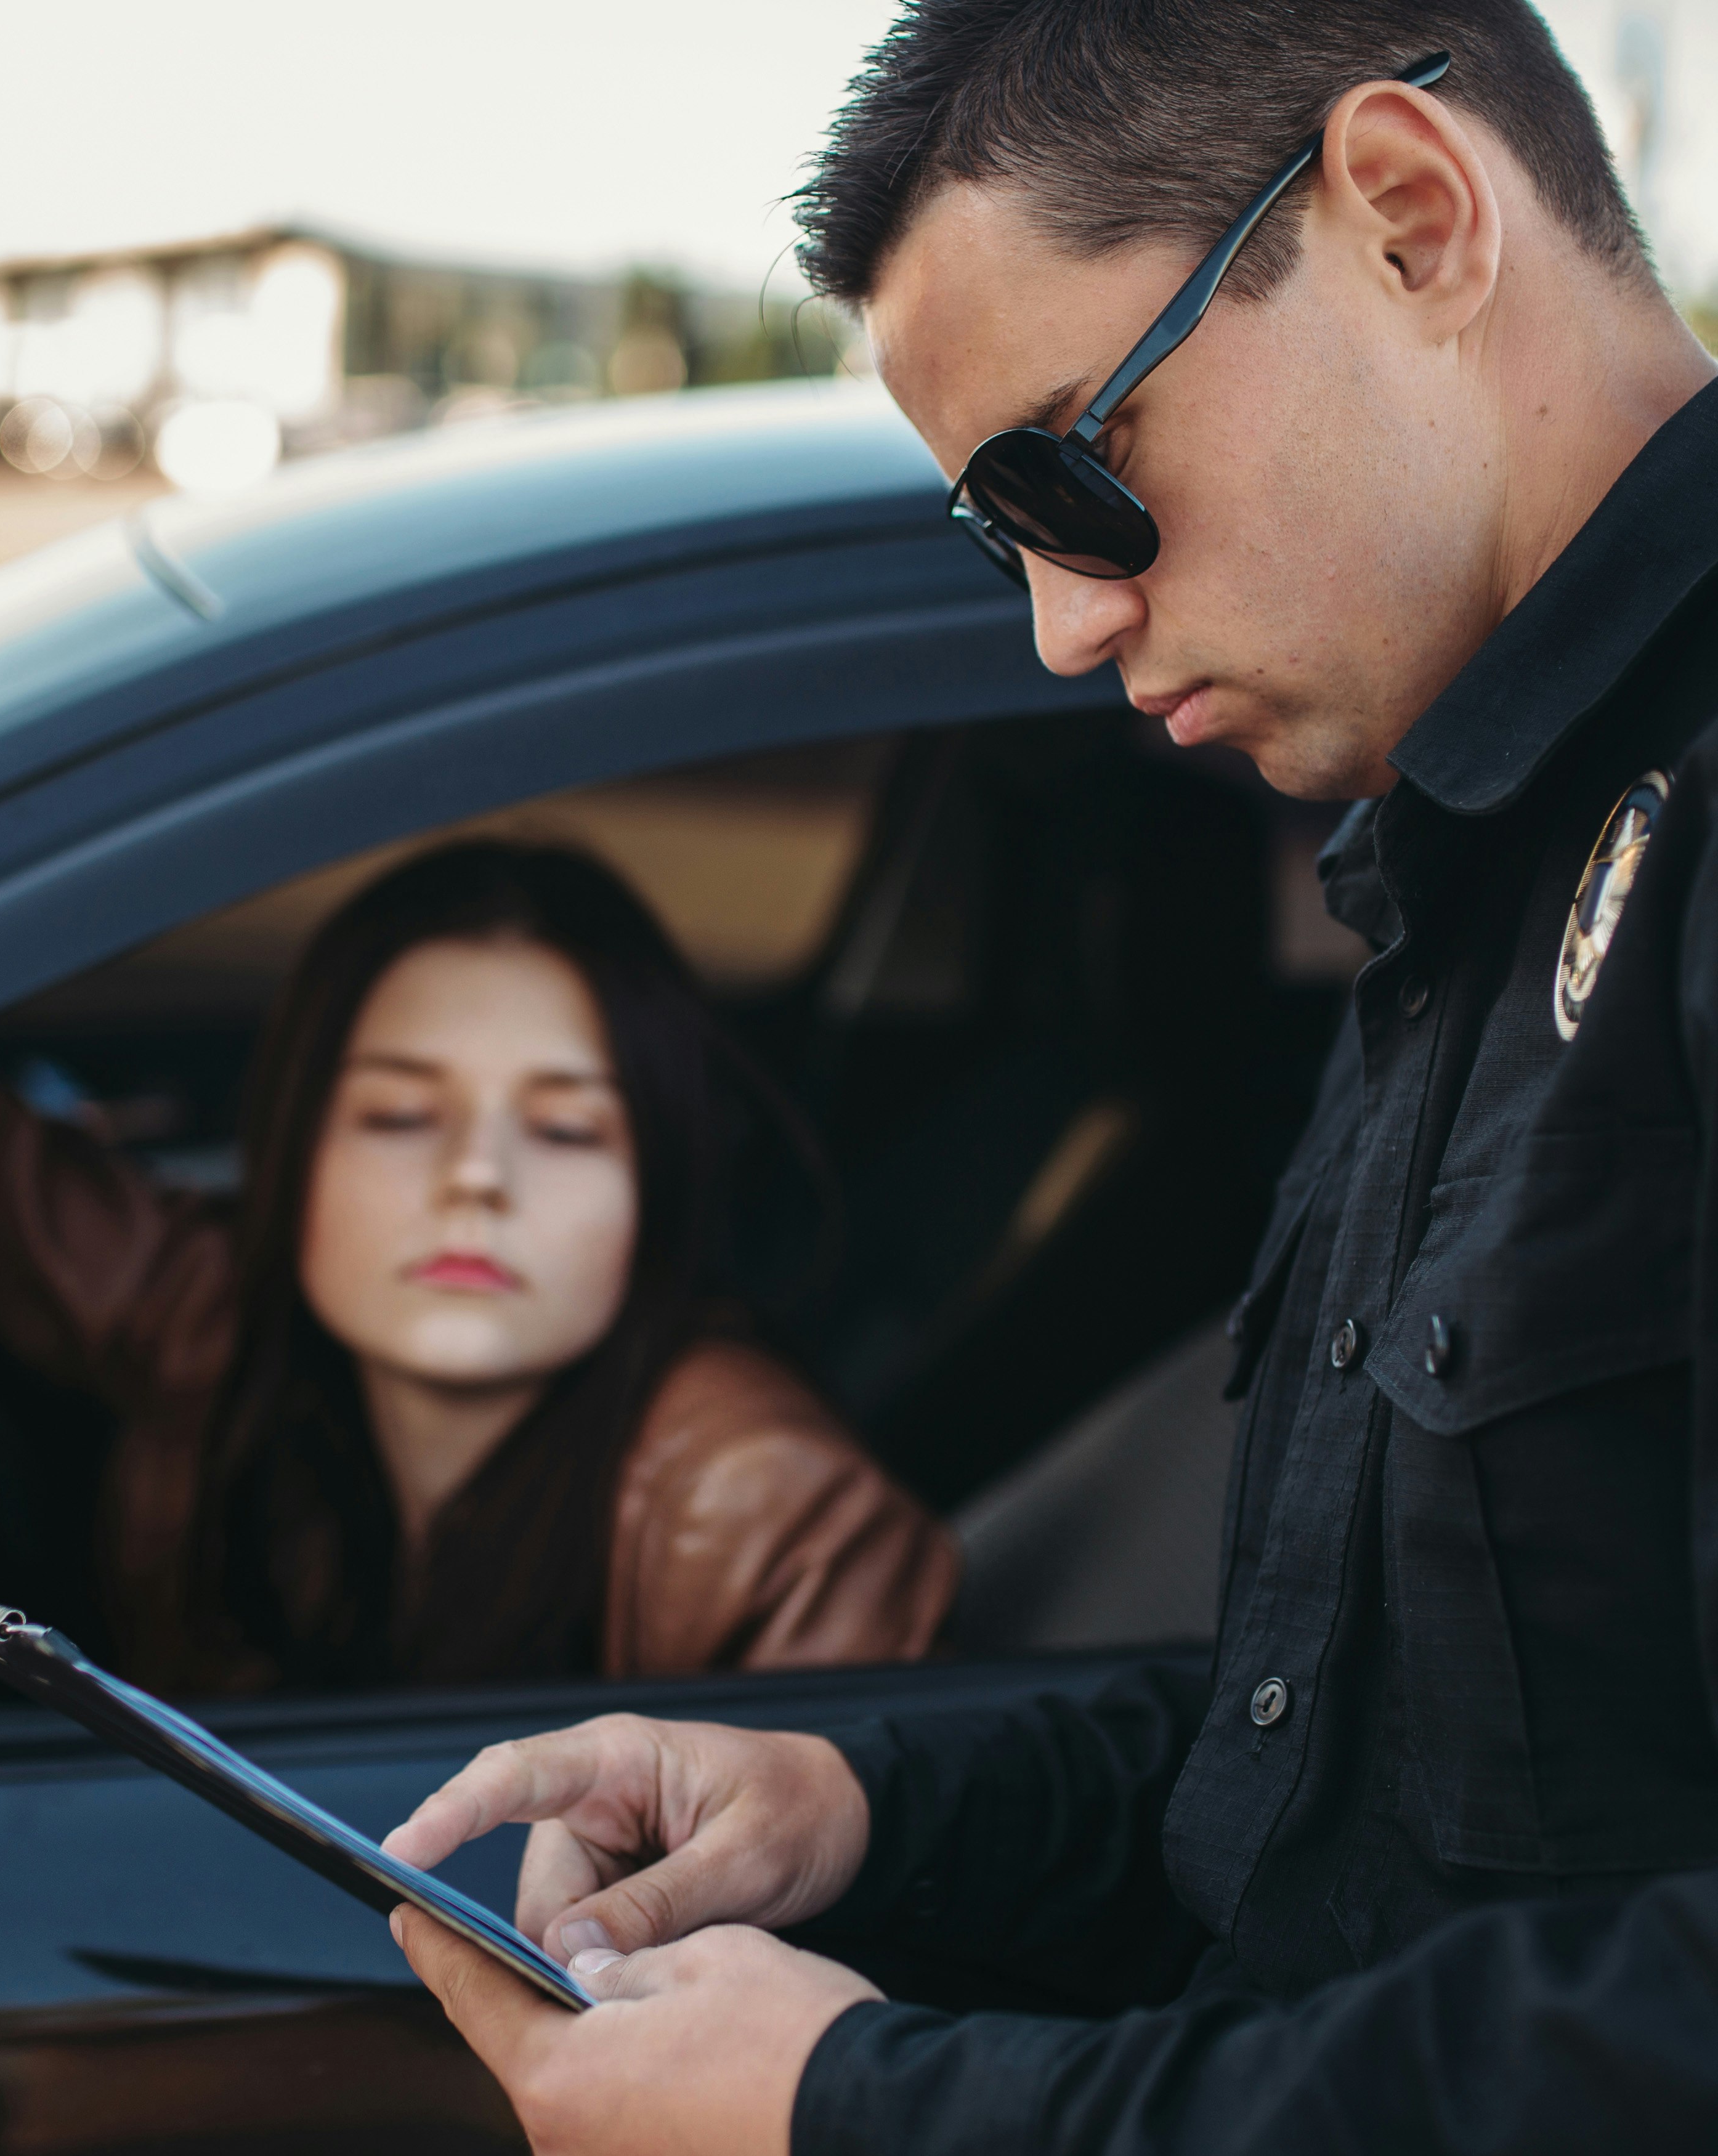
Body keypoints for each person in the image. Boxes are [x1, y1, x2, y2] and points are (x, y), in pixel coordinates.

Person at [374, 5, 1718, 2150]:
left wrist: (872, 2112)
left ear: (1407, 214)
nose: (1058, 629)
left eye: (1066, 481)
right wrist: (859, 1813)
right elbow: (1368, 1791)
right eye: (987, 540)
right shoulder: (1452, 877)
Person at [0, 840, 957, 1714]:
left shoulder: (772, 1517)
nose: (476, 1177)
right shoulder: (216, 1314)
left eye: (568, 1129)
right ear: (292, 1154)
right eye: (401, 1117)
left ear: (657, 1189)